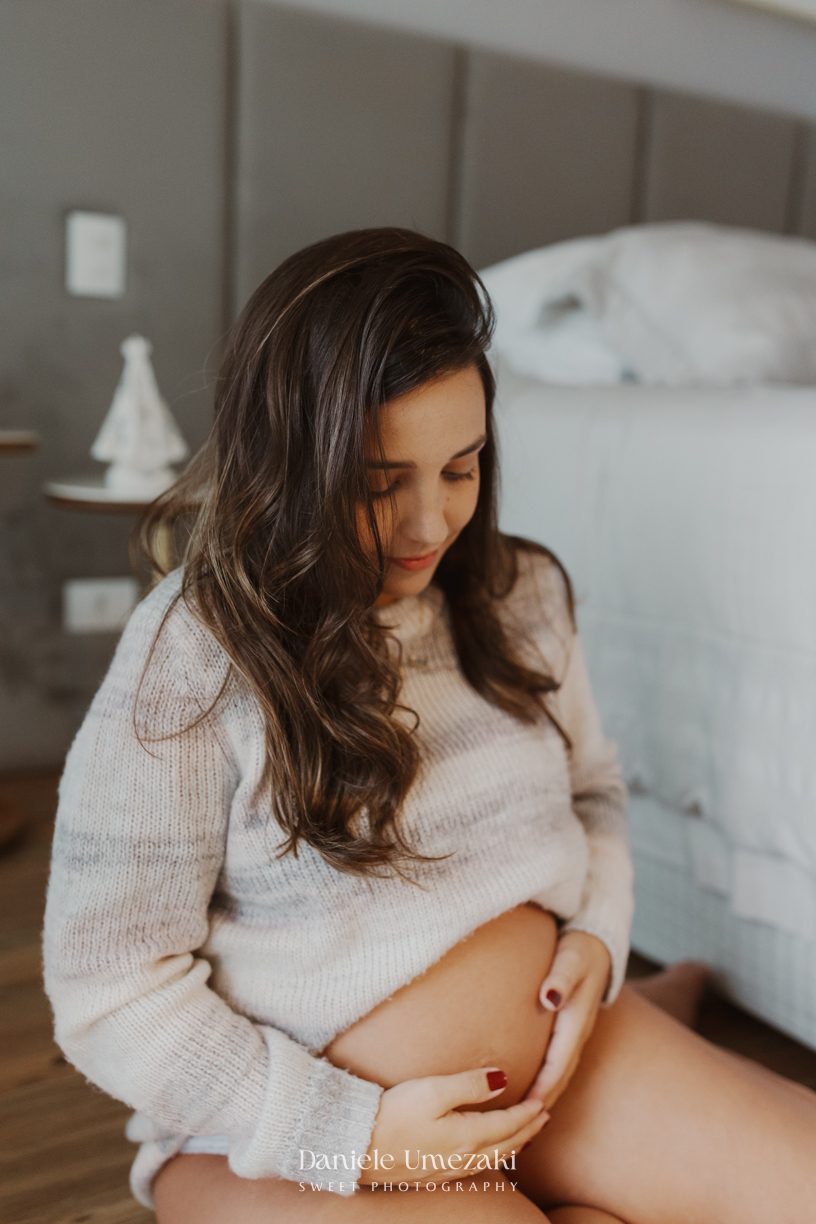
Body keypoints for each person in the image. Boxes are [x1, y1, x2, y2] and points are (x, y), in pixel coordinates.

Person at [43, 229, 816, 1224]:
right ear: (289, 459)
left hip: (562, 1069)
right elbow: (107, 991)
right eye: (377, 483)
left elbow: (595, 794)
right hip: (286, 1146)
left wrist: (598, 939)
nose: (427, 527)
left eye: (461, 467)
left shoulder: (522, 594)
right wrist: (351, 1133)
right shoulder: (190, 657)